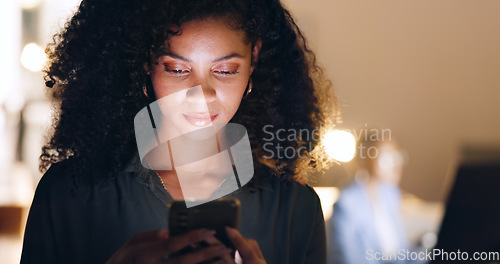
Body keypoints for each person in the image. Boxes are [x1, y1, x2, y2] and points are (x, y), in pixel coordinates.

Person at [21, 0, 336, 263]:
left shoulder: (296, 209)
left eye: (225, 71)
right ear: (146, 61)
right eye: (176, 69)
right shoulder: (69, 195)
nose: (201, 93)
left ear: (254, 57)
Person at [328, 135, 409, 264]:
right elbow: (349, 258)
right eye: (387, 158)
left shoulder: (391, 195)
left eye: (396, 157)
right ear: (364, 159)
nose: (395, 166)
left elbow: (402, 252)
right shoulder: (346, 203)